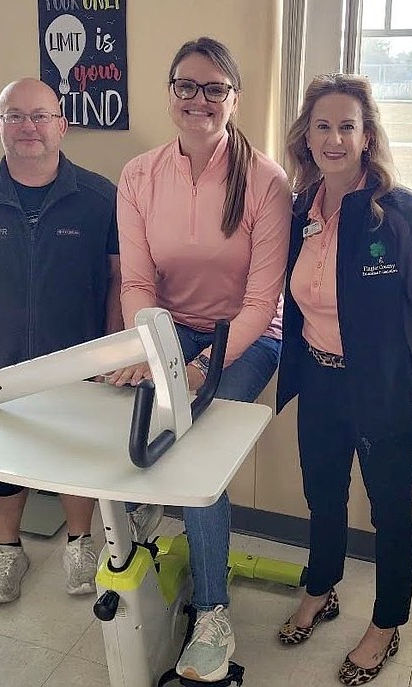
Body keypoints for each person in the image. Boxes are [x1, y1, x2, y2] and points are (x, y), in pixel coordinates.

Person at [0, 77, 161, 605]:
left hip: (76, 362)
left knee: (74, 455)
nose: (28, 127)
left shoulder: (101, 197)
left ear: (61, 125)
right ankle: (7, 548)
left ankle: (81, 542)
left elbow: (119, 279)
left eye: (40, 116)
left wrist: (112, 348)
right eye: (15, 116)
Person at [110, 38, 291, 682]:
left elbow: (262, 299)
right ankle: (149, 517)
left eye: (214, 89)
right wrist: (153, 351)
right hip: (169, 326)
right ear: (169, 94)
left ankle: (213, 611)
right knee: (124, 409)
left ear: (234, 101)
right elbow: (137, 282)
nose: (199, 99)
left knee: (198, 446)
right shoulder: (138, 175)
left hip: (247, 335)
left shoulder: (267, 182)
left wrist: (200, 369)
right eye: (186, 86)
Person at [276, 74, 412, 686]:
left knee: (390, 512)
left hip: (385, 392)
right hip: (320, 382)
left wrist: (388, 355)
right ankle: (322, 587)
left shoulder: (401, 213)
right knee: (322, 494)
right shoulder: (301, 209)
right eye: (322, 126)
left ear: (367, 135)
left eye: (347, 126)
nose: (334, 138)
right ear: (307, 135)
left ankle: (385, 624)